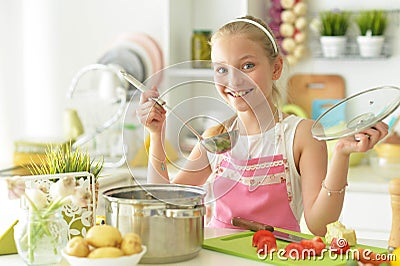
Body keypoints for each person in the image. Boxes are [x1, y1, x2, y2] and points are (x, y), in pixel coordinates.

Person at [136, 15, 388, 236]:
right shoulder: (215, 138)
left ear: (276, 68)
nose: (234, 80)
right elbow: (165, 201)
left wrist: (341, 154)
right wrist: (156, 133)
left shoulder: (302, 135)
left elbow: (320, 226)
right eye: (221, 69)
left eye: (248, 66)